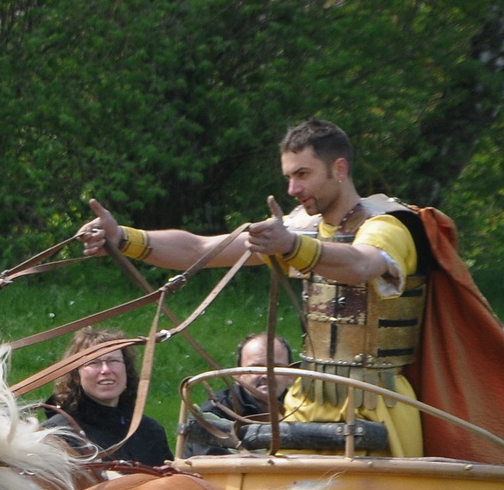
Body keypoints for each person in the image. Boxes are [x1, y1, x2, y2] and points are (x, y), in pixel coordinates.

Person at [81, 118, 432, 457]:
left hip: (375, 404)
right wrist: (122, 237)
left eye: (303, 174)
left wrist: (290, 245)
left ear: (339, 170)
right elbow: (199, 249)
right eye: (289, 177)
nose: (293, 189)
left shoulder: (387, 225)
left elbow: (360, 264)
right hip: (307, 401)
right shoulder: (302, 228)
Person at [40, 328, 172, 465]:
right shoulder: (58, 435)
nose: (106, 370)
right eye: (93, 363)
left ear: (126, 369)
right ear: (76, 376)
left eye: (113, 361)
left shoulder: (149, 430)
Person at [184, 333, 296, 456]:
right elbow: (216, 470)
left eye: (276, 367)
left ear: (291, 375)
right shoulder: (213, 413)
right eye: (256, 368)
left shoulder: (303, 408)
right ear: (238, 375)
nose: (266, 375)